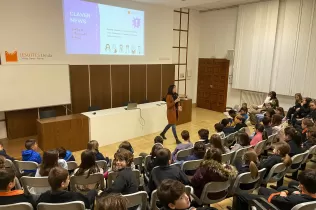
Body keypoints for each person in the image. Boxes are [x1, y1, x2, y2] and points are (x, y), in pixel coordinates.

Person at [232, 169, 316, 210]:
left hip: (277, 204)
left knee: (240, 196)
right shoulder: (310, 193)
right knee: (262, 189)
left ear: (302, 185)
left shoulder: (293, 199)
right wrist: (286, 191)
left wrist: (283, 196)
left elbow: (276, 199)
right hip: (287, 201)